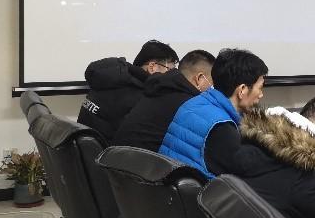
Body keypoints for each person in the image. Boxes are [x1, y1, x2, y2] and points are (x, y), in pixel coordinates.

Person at [159, 48, 267, 178]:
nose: (261, 95)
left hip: (170, 184)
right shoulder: (221, 127)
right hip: (201, 189)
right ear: (242, 90)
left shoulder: (194, 103)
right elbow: (245, 173)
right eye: (260, 88)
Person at [112, 50, 216, 151]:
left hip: (116, 156)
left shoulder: (160, 88)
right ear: (199, 78)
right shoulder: (189, 104)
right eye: (212, 83)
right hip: (141, 160)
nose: (212, 88)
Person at [77, 40, 179, 143]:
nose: (171, 76)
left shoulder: (110, 79)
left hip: (83, 149)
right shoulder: (140, 97)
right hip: (109, 151)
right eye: (170, 70)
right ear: (152, 67)